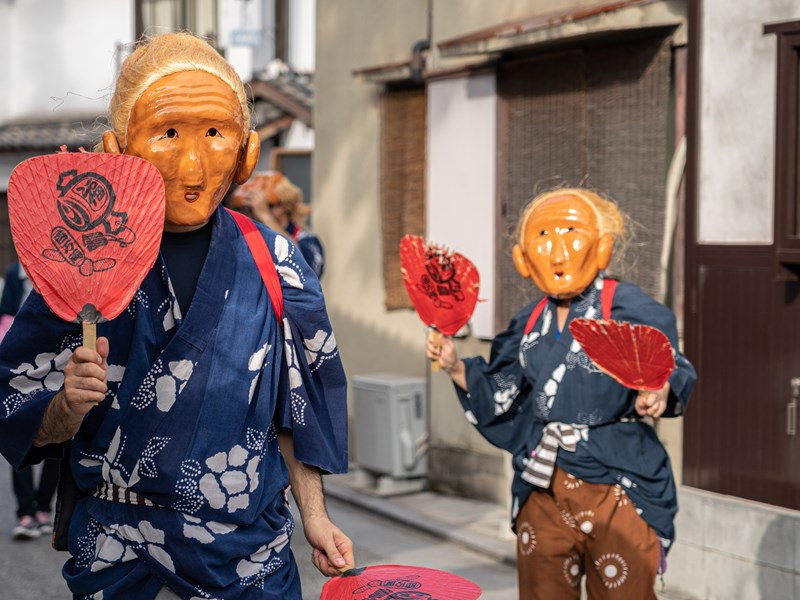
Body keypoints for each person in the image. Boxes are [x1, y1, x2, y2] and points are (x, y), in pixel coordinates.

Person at [0, 32, 352, 599]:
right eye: (167, 133)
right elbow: (15, 404)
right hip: (118, 557)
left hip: (247, 561)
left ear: (247, 153)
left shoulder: (279, 262)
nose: (193, 164)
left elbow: (296, 409)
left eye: (215, 134)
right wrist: (66, 406)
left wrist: (315, 514)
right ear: (118, 150)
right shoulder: (82, 257)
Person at [426, 188, 696, 599]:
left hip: (618, 484)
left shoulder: (629, 309)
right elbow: (503, 387)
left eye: (571, 233)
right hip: (544, 484)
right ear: (522, 258)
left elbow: (669, 364)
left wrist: (657, 388)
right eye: (543, 237)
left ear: (602, 247)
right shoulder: (529, 320)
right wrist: (456, 365)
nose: (556, 251)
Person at [0, 261, 60, 540]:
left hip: (58, 359)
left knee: (60, 433)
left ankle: (44, 507)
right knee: (19, 432)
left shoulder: (63, 267)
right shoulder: (16, 273)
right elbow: (6, 312)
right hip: (23, 363)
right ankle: (25, 511)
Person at [231, 171, 325, 279]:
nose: (252, 213)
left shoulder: (308, 240)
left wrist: (264, 214)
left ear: (280, 207)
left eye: (264, 206)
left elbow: (306, 272)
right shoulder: (248, 240)